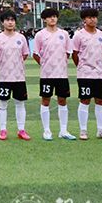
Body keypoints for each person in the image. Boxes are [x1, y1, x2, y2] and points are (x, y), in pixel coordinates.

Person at [32, 8, 75, 141]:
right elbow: (35, 54)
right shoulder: (40, 35)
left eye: (55, 16)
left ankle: (63, 130)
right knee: (46, 100)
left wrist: (60, 64)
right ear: (44, 19)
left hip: (62, 74)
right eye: (49, 17)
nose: (52, 19)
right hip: (46, 75)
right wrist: (45, 65)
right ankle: (47, 130)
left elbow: (68, 52)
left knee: (62, 100)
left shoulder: (64, 34)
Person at [0, 10, 30, 141]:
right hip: (4, 77)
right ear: (2, 22)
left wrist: (16, 65)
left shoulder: (21, 38)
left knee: (20, 103)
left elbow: (24, 54)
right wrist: (3, 65)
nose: (10, 22)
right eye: (7, 20)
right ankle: (3, 130)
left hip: (19, 77)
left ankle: (21, 130)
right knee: (3, 103)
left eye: (12, 20)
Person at [71, 8, 102, 140]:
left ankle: (101, 130)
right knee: (85, 100)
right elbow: (75, 54)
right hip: (85, 74)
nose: (92, 19)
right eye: (89, 17)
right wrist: (82, 67)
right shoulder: (78, 35)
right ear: (84, 20)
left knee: (101, 101)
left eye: (94, 17)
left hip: (100, 74)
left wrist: (98, 66)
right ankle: (83, 130)